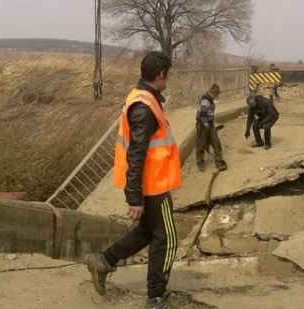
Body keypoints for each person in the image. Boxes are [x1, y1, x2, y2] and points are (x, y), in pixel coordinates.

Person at [84, 51, 181, 309]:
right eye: (167, 75)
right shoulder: (144, 108)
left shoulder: (143, 98)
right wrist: (134, 198)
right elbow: (136, 155)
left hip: (152, 183)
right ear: (160, 75)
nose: (167, 78)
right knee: (167, 238)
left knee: (147, 233)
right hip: (153, 185)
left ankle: (104, 261)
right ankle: (156, 297)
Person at [195, 83, 227, 172]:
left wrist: (210, 126)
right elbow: (202, 115)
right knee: (201, 144)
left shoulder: (209, 99)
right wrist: (206, 127)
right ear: (214, 93)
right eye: (217, 95)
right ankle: (200, 162)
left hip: (209, 124)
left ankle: (219, 161)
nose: (217, 97)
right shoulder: (205, 100)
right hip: (202, 125)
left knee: (216, 142)